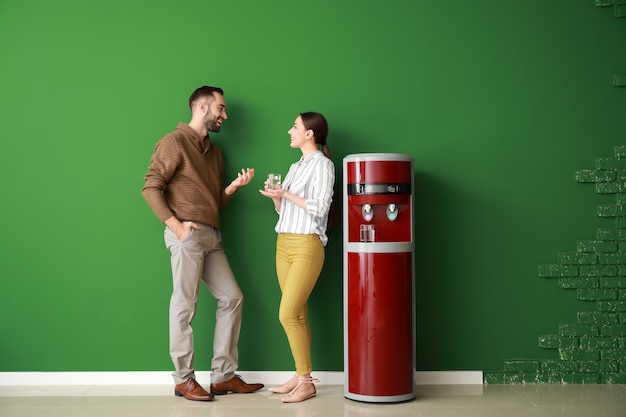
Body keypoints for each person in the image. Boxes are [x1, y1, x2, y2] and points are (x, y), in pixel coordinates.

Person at [142, 86, 264, 401]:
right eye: (220, 108)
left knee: (233, 298)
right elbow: (151, 188)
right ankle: (183, 379)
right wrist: (176, 226)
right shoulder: (173, 142)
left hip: (212, 236)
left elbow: (214, 202)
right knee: (185, 305)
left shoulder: (215, 152)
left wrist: (233, 187)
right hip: (187, 235)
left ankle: (223, 376)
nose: (224, 115)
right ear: (202, 107)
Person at [259, 112, 335, 403]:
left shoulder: (323, 166)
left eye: (295, 126)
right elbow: (284, 212)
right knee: (298, 313)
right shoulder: (295, 166)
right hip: (284, 243)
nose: (290, 130)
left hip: (307, 245)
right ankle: (300, 375)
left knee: (287, 313)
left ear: (310, 134)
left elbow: (319, 207)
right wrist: (277, 197)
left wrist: (287, 195)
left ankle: (307, 383)